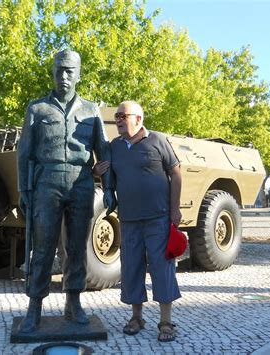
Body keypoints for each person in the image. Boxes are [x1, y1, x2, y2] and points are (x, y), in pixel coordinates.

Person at [17, 49, 116, 332]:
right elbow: (24, 154)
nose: (64, 75)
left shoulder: (91, 110)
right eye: (59, 69)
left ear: (79, 74)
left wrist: (108, 187)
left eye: (69, 70)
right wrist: (25, 190)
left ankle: (74, 303)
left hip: (81, 183)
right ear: (53, 72)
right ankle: (34, 307)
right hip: (47, 184)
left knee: (76, 249)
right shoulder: (37, 109)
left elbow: (104, 151)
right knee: (43, 247)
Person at [95, 100, 182, 342]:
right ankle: (136, 317)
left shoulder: (158, 141)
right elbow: (106, 175)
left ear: (138, 119)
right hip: (130, 220)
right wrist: (98, 171)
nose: (119, 120)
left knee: (161, 268)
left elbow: (176, 173)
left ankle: (166, 322)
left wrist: (175, 209)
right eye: (117, 116)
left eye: (123, 115)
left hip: (158, 217)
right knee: (131, 268)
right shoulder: (114, 147)